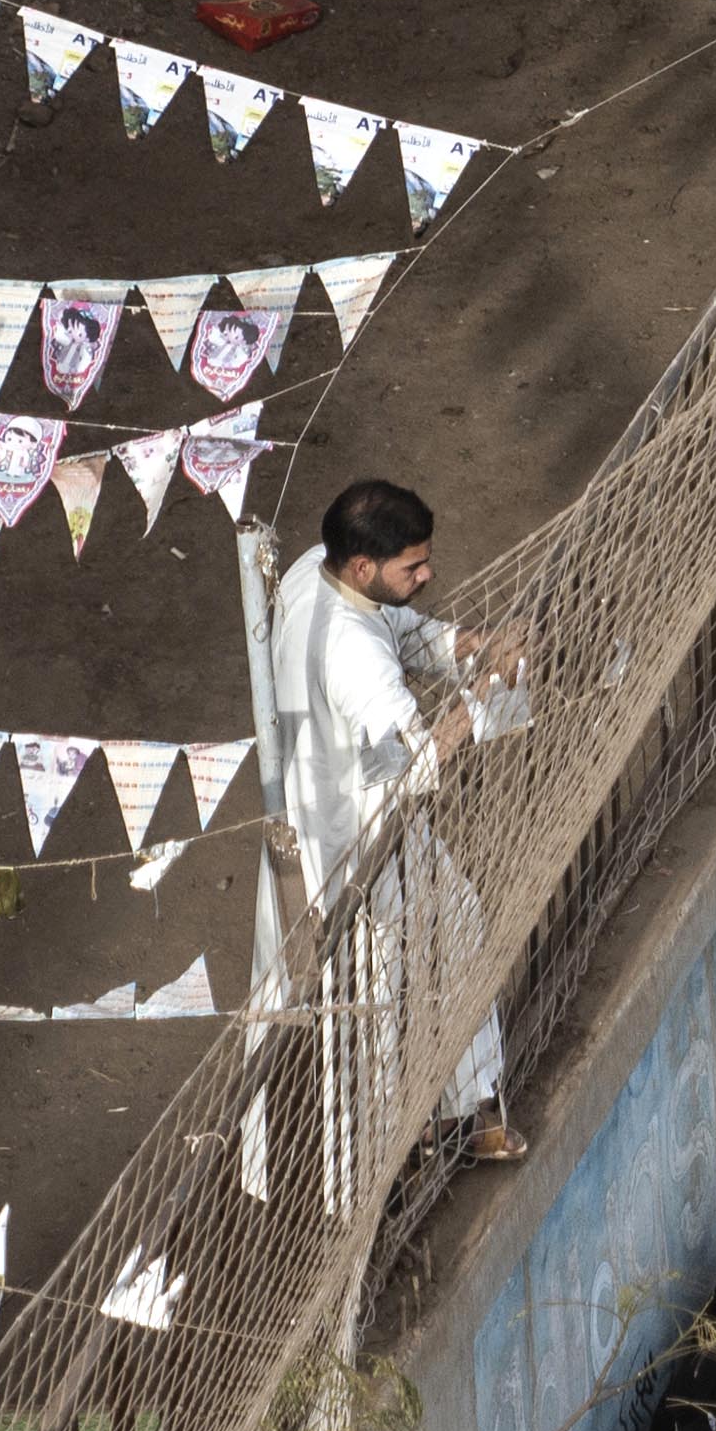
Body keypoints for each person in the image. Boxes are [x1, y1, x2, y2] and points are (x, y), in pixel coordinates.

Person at [264, 479, 527, 1158]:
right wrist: (486, 693)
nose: (428, 574)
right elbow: (415, 762)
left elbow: (402, 632)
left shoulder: (313, 572)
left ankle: (467, 1110)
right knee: (377, 999)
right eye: (413, 566)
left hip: (338, 800)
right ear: (362, 566)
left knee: (457, 920)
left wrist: (473, 644)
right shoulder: (354, 656)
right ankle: (383, 1161)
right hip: (356, 837)